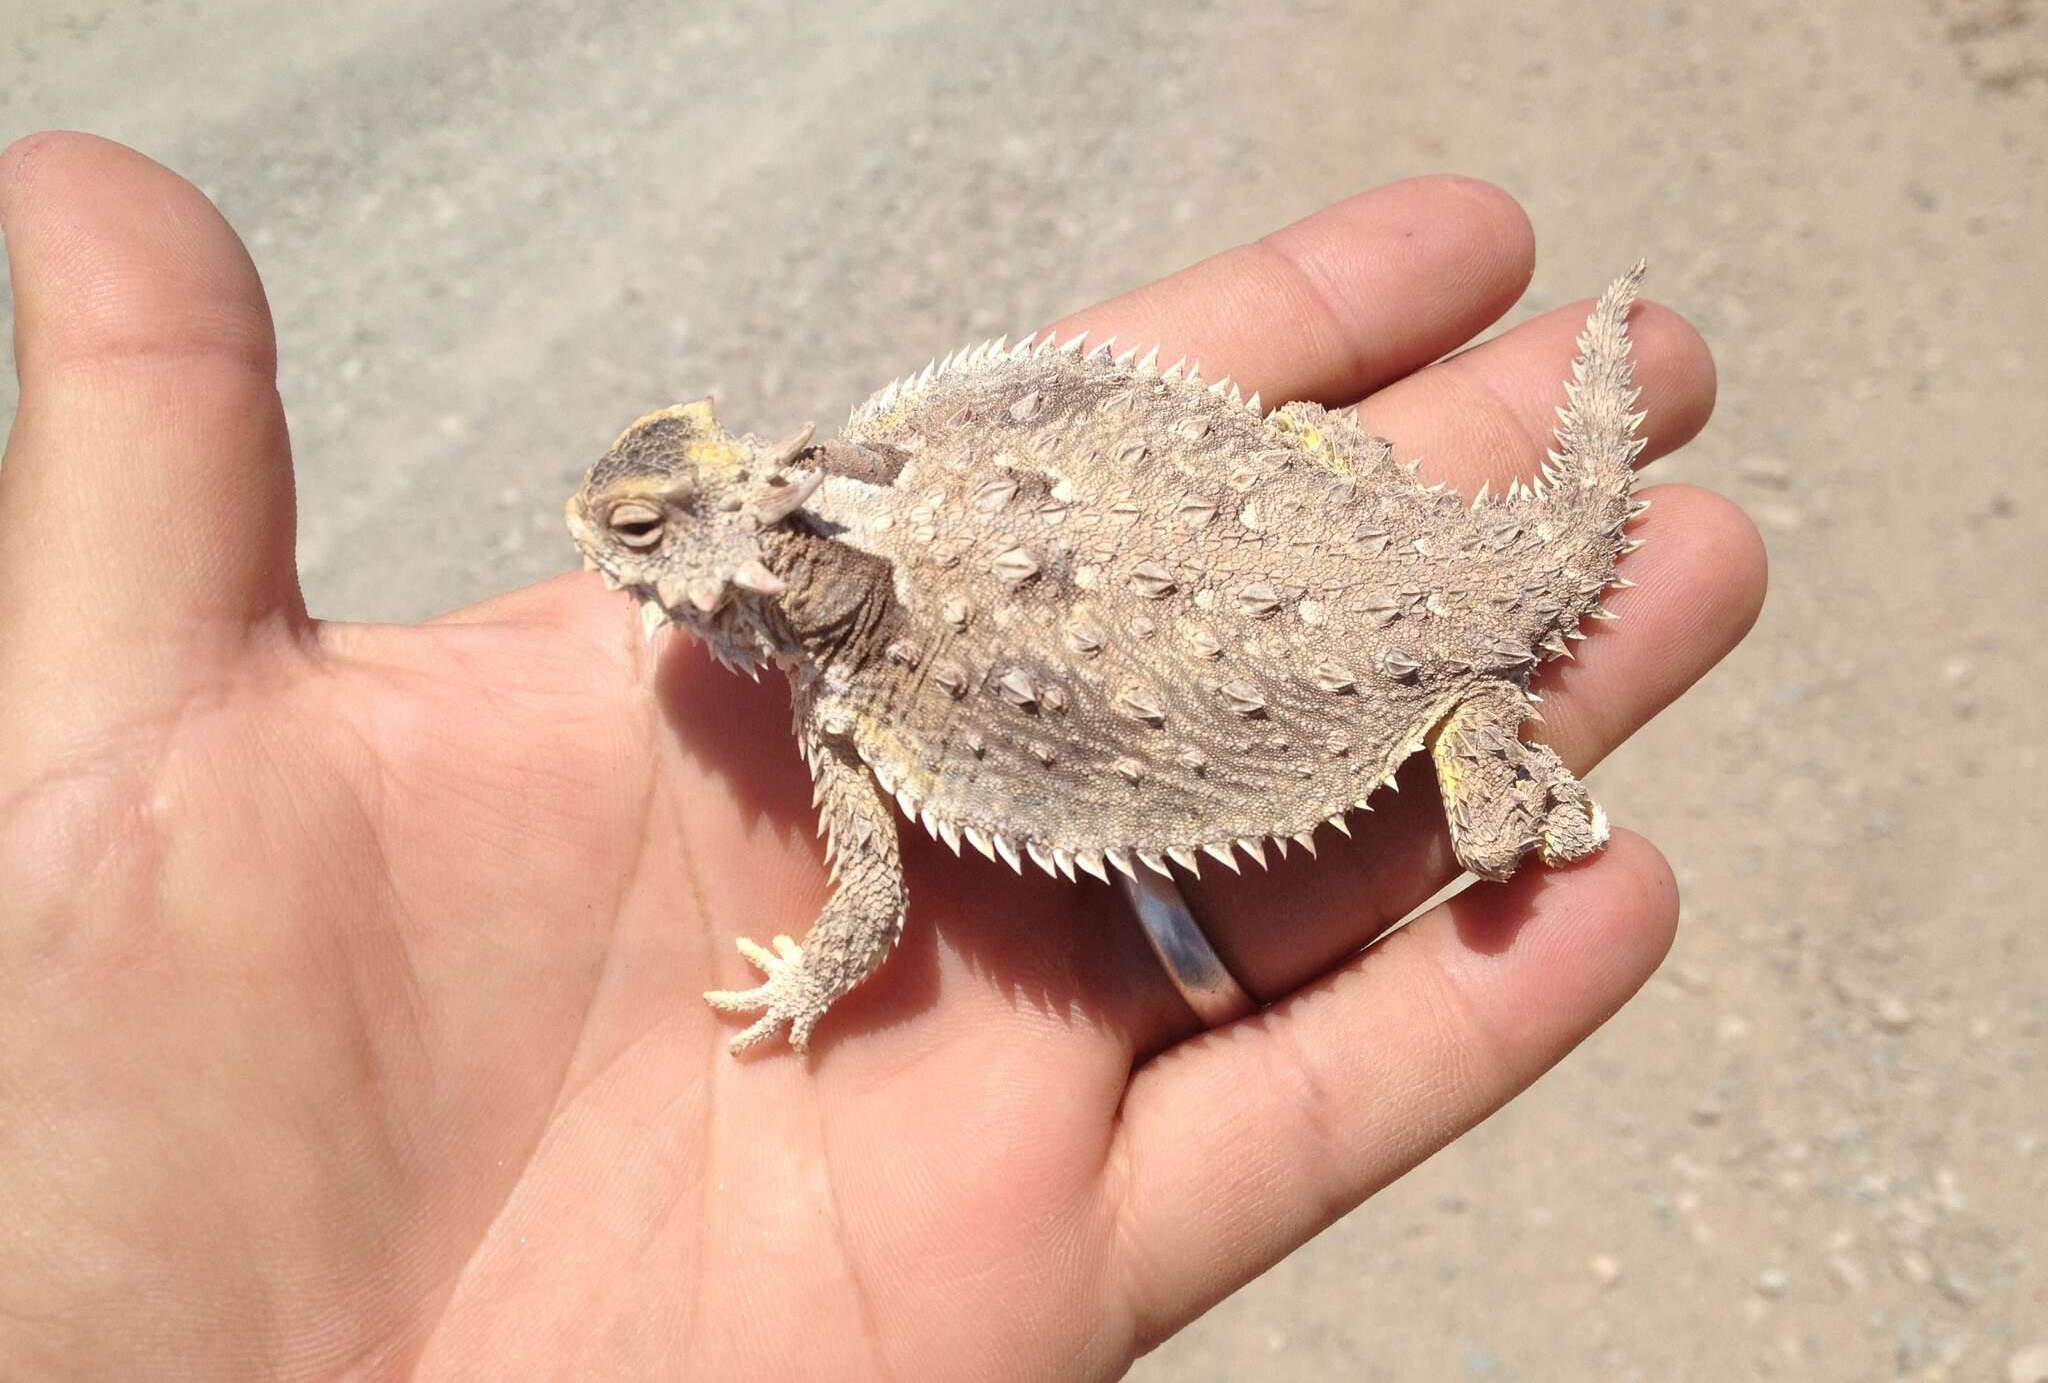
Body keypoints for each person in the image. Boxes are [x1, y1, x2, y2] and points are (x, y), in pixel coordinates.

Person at [0, 132, 1763, 1379]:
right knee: (1321, 472)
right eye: (639, 520)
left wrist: (797, 995)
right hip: (1339, 540)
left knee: (1464, 732)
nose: (618, 552)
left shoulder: (851, 702)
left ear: (731, 559)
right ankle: (1461, 607)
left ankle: (1499, 774)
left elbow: (860, 922)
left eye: (644, 524)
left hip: (1384, 660)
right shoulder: (896, 479)